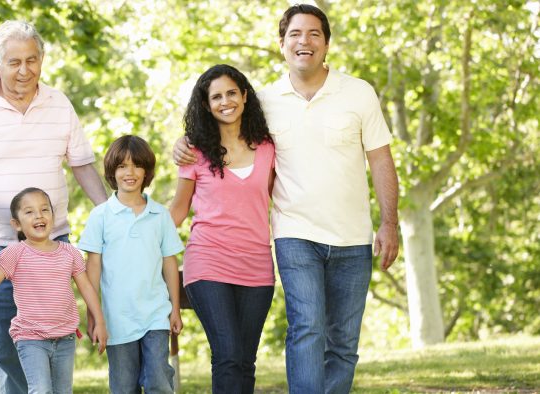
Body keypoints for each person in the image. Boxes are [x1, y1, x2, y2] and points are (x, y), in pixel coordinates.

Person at [174, 5, 400, 393]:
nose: (304, 41)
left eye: (314, 34)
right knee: (307, 326)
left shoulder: (358, 93)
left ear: (327, 43)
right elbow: (218, 127)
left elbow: (380, 157)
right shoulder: (263, 101)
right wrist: (185, 142)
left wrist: (389, 222)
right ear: (282, 44)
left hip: (353, 236)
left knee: (343, 342)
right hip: (294, 233)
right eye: (295, 34)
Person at [0, 20, 107, 394]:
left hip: (51, 243)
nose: (25, 71)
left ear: (42, 60)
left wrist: (109, 212)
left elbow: (82, 164)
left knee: (53, 340)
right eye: (14, 62)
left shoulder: (59, 103)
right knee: (5, 346)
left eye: (32, 60)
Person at [168, 64, 276, 393]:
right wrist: (139, 237)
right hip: (208, 261)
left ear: (245, 96)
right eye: (216, 96)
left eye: (231, 93)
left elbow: (275, 199)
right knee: (228, 355)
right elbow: (178, 210)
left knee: (245, 359)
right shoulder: (195, 150)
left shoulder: (268, 148)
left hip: (257, 265)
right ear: (206, 105)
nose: (225, 101)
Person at [0, 187, 107, 394]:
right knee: (40, 390)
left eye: (44, 210)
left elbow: (86, 287)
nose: (38, 216)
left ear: (53, 216)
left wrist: (100, 322)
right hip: (30, 337)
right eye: (29, 212)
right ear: (16, 224)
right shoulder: (14, 253)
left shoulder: (70, 253)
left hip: (65, 337)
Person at [77, 135, 184, 394]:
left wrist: (175, 309)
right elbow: (92, 269)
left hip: (156, 314)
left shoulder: (160, 215)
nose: (130, 172)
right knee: (124, 387)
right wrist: (95, 315)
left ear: (146, 171)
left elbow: (170, 264)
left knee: (159, 380)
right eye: (122, 166)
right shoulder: (100, 216)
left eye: (137, 165)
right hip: (117, 318)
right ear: (112, 171)